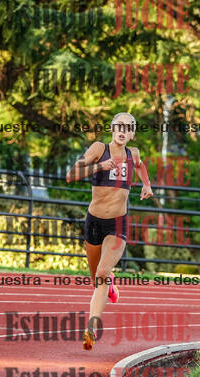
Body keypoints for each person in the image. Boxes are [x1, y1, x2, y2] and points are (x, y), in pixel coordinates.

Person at [66, 112, 153, 350]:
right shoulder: (99, 148)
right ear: (112, 129)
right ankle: (110, 284)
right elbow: (71, 175)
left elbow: (140, 166)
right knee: (96, 278)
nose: (123, 130)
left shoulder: (133, 154)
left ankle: (91, 328)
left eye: (128, 127)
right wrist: (99, 166)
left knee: (102, 273)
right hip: (94, 222)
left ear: (132, 134)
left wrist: (146, 184)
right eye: (119, 126)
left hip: (117, 224)